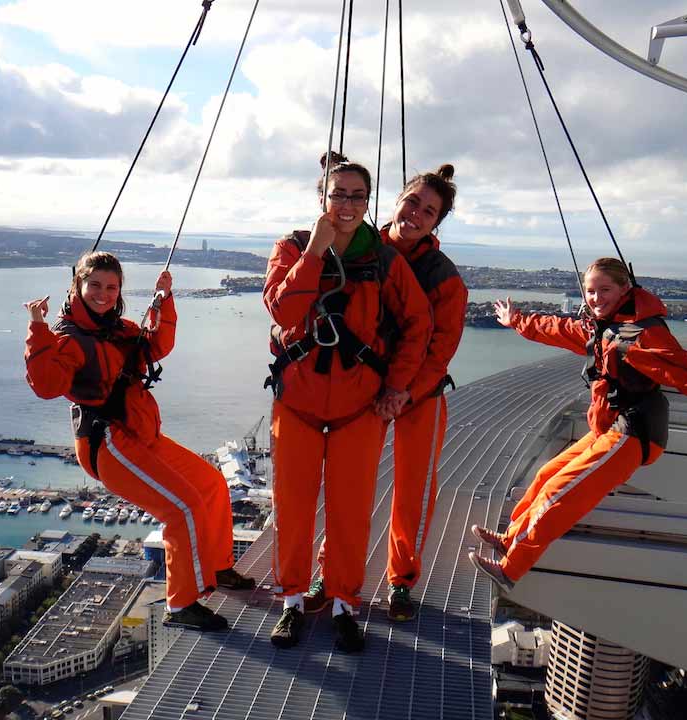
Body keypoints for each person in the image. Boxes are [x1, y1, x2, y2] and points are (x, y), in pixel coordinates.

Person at [468, 257, 687, 593]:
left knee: (561, 494)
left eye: (604, 290)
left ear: (624, 289)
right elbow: (556, 328)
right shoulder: (604, 327)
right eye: (590, 291)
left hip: (633, 432)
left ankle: (510, 569)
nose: (596, 298)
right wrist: (515, 320)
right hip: (612, 428)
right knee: (547, 477)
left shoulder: (639, 335)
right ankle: (511, 539)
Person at [23, 252, 254, 631]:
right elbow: (47, 385)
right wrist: (37, 328)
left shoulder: (116, 329)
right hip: (109, 442)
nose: (103, 294)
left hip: (140, 433)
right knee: (182, 508)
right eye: (94, 285)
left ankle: (216, 568)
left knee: (212, 485)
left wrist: (164, 299)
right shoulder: (68, 339)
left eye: (111, 287)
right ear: (77, 287)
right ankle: (181, 606)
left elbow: (155, 346)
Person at [264, 152, 432, 652]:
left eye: (358, 196)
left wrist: (398, 386)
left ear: (368, 202)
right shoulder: (293, 247)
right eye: (339, 194)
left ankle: (343, 605)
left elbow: (418, 325)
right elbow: (282, 307)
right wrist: (313, 253)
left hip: (360, 406)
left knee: (350, 510)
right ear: (322, 198)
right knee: (291, 507)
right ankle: (293, 601)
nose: (348, 204)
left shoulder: (383, 260)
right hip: (297, 401)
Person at [303, 164, 468, 622]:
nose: (416, 214)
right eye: (412, 202)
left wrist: (404, 393)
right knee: (346, 487)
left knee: (413, 490)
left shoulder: (444, 276)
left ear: (437, 223)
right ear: (396, 200)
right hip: (367, 386)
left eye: (429, 211)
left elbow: (440, 350)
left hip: (419, 394)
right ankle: (329, 572)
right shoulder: (361, 246)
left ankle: (401, 580)